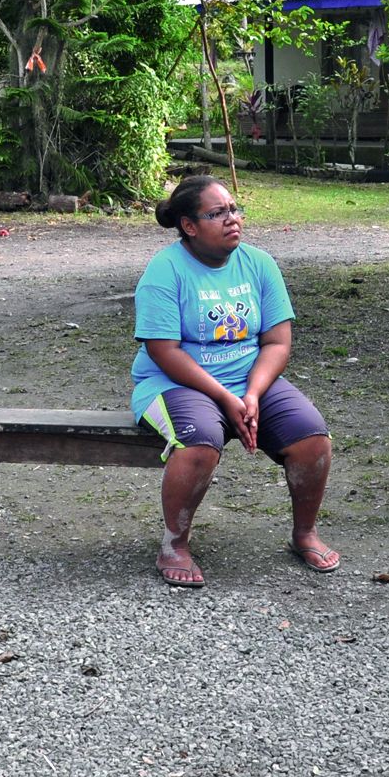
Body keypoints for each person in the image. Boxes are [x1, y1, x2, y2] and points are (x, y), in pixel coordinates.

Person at [130, 175, 337, 588]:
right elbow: (163, 351)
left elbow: (277, 342)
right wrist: (226, 397)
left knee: (312, 437)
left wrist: (253, 393)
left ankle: (304, 533)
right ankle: (175, 544)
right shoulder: (165, 270)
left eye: (234, 209)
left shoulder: (259, 264)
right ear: (189, 226)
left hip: (249, 379)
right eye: (217, 213)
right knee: (198, 442)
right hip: (176, 383)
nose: (232, 219)